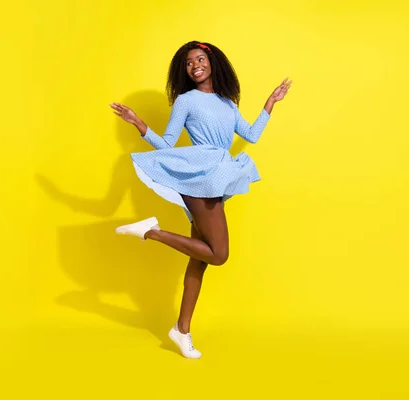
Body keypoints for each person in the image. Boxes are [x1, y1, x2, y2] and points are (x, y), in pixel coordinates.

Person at [109, 41, 291, 359]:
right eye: (189, 62)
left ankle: (181, 330)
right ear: (185, 71)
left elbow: (251, 135)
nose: (195, 65)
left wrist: (270, 103)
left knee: (200, 261)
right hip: (201, 176)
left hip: (217, 176)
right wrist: (139, 124)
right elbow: (167, 144)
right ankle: (151, 232)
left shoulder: (227, 103)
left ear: (213, 63)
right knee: (219, 254)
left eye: (200, 59)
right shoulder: (186, 101)